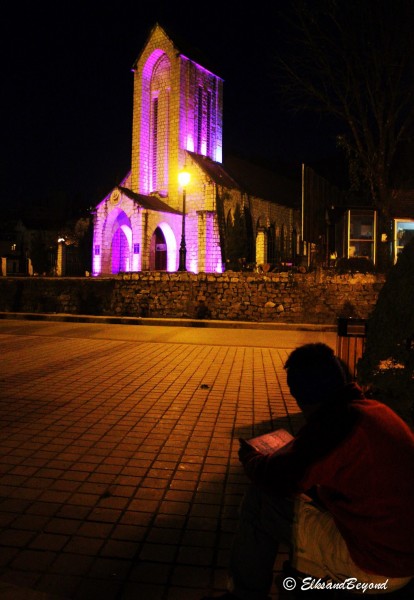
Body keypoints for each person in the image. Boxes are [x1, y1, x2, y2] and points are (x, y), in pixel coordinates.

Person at [202, 343, 414, 600]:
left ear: (300, 395)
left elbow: (279, 480)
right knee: (301, 506)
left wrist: (251, 458)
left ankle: (244, 595)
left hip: (377, 563)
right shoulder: (372, 410)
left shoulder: (335, 425)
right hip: (397, 546)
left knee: (262, 502)